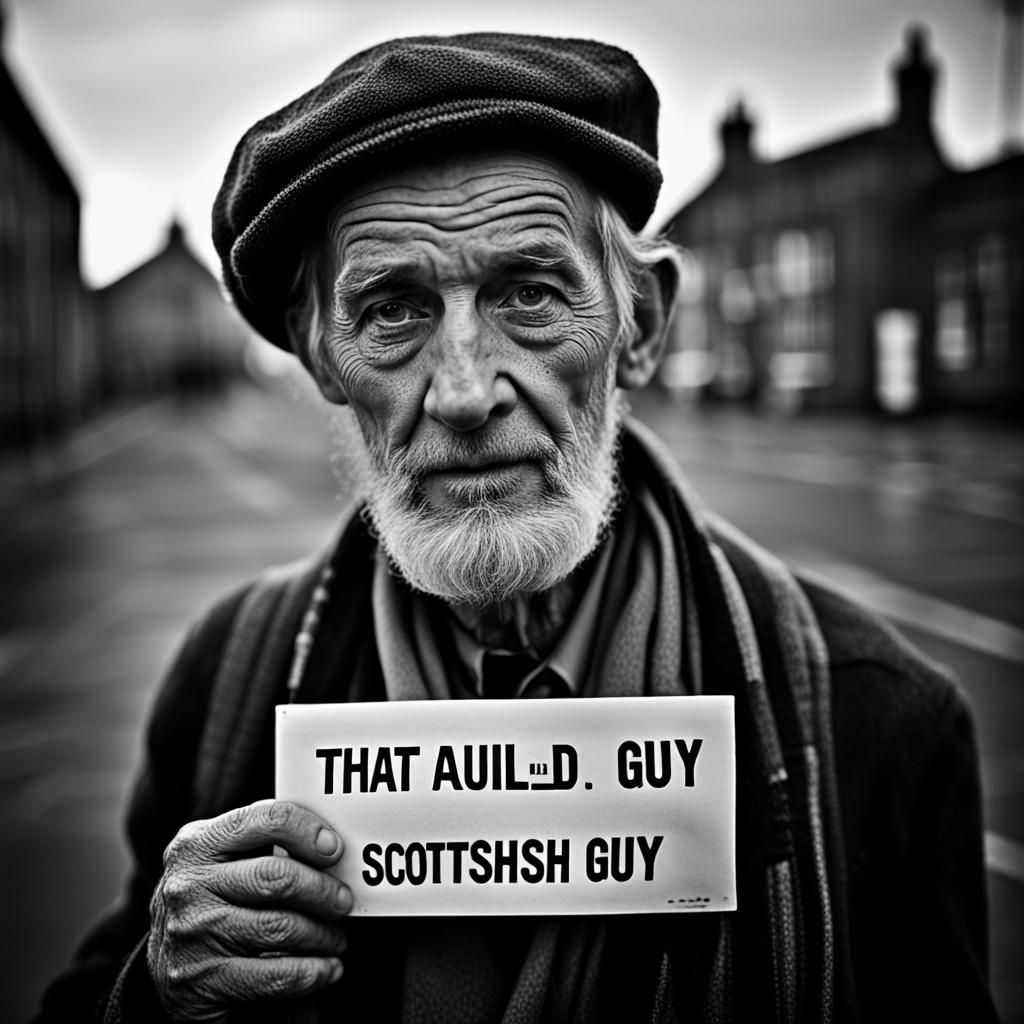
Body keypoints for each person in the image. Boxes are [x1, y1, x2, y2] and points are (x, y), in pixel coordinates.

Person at [34, 33, 996, 1024]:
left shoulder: (876, 722)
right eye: (394, 309)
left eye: (529, 293)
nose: (462, 392)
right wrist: (155, 988)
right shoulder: (228, 677)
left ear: (640, 326)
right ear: (324, 361)